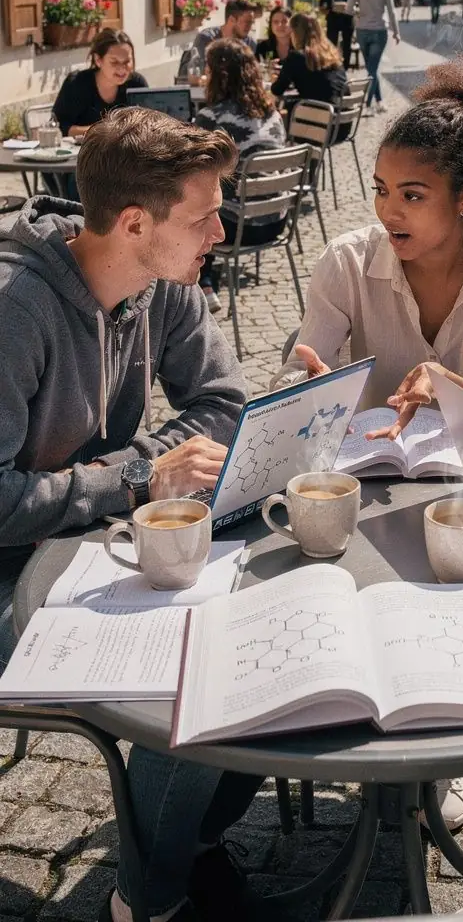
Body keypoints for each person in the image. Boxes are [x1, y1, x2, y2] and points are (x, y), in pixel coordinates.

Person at [0, 107, 274, 922]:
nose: (221, 231)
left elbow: (227, 400)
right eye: (202, 216)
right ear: (131, 222)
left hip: (85, 554)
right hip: (10, 579)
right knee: (191, 676)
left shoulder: (160, 284)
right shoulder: (16, 312)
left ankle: (186, 844)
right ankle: (148, 904)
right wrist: (135, 477)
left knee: (257, 627)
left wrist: (143, 470)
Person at [275, 56, 463, 833]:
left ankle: (442, 754)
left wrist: (457, 387)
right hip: (355, 490)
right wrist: (309, 388)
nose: (387, 210)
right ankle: (347, 722)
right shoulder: (347, 260)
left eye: (412, 195)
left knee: (461, 602)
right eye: (379, 189)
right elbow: (305, 371)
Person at [196, 39, 288, 310]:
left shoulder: (212, 119)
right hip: (276, 222)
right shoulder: (272, 113)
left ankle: (202, 284)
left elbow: (191, 172)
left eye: (208, 68)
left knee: (191, 201)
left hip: (238, 230)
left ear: (217, 75)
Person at [53, 28, 147, 137]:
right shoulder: (77, 84)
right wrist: (104, 131)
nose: (122, 69)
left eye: (127, 61)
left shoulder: (137, 84)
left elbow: (149, 125)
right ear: (98, 60)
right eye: (114, 62)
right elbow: (59, 127)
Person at [347, 0, 400, 113]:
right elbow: (391, 12)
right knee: (372, 69)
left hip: (362, 30)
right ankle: (372, 103)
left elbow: (349, 9)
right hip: (379, 30)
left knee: (371, 68)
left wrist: (359, 12)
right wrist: (396, 32)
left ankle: (374, 102)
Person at [178, 0, 257, 83]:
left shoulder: (250, 43)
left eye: (251, 23)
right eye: (247, 22)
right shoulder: (206, 39)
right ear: (231, 19)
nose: (250, 27)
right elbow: (199, 75)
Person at [255, 3, 293, 69]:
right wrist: (266, 68)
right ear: (271, 25)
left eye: (284, 21)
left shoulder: (300, 47)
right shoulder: (263, 47)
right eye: (275, 22)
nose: (280, 25)